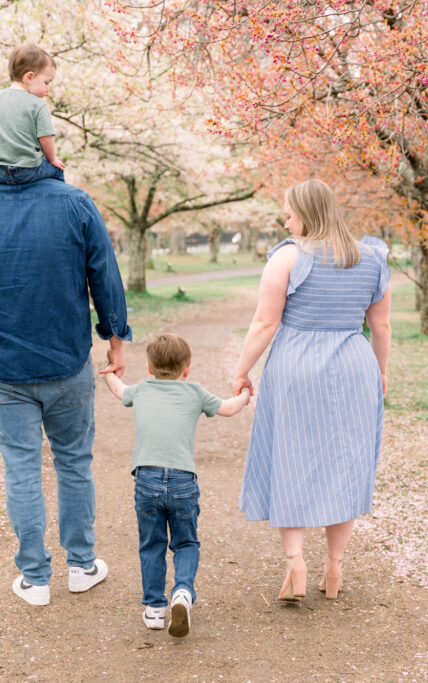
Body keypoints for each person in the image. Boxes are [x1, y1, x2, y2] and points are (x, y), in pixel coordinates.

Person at [0, 174, 131, 608]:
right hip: (66, 356)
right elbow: (106, 276)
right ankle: (82, 565)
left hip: (1, 363)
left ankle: (34, 577)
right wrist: (115, 340)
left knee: (21, 467)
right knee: (74, 462)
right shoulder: (76, 202)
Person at [233, 179, 392, 602]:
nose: (284, 217)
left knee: (293, 457)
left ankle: (295, 562)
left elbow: (265, 323)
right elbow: (381, 327)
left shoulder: (288, 256)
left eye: (288, 210)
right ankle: (335, 567)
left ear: (306, 212)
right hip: (355, 365)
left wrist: (242, 370)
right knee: (346, 461)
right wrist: (380, 372)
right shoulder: (373, 258)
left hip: (298, 365)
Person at [102, 333, 250, 636]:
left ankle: (155, 608)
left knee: (152, 544)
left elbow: (119, 390)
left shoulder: (141, 390)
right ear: (187, 368)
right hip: (183, 481)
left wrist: (110, 373)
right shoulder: (194, 392)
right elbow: (230, 407)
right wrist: (246, 392)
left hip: (146, 479)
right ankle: (182, 592)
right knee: (185, 542)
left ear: (148, 367)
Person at [0, 43, 66, 185]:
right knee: (58, 170)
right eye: (46, 82)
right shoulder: (38, 105)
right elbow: (45, 138)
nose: (47, 89)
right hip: (27, 170)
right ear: (29, 77)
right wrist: (52, 159)